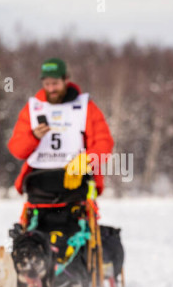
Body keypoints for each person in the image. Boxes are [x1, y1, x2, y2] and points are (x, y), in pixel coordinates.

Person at [8, 58, 114, 196]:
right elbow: (17, 150)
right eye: (47, 84)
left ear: (66, 80)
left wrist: (86, 159)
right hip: (40, 181)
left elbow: (105, 144)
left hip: (78, 179)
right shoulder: (33, 109)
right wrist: (34, 137)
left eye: (55, 83)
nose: (51, 89)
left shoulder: (86, 107)